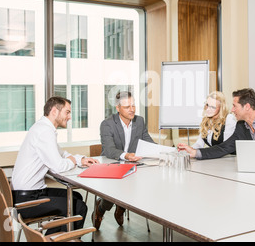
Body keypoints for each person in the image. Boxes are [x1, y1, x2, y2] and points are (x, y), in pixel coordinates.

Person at [11, 96, 98, 235]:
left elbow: (61, 153)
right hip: (27, 200)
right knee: (79, 207)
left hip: (27, 193)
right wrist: (74, 161)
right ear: (54, 111)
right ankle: (59, 239)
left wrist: (80, 159)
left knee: (75, 197)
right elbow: (58, 166)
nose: (69, 117)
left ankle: (51, 238)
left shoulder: (42, 127)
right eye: (67, 112)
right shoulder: (45, 131)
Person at [178, 88, 255, 163]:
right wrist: (195, 153)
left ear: (247, 107)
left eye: (235, 106)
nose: (232, 110)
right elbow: (224, 148)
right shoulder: (241, 126)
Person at [93, 91, 154, 230]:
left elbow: (148, 142)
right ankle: (101, 208)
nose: (132, 109)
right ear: (118, 108)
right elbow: (109, 150)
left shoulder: (139, 121)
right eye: (127, 107)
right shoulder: (107, 124)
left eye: (133, 105)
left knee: (140, 183)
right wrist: (126, 156)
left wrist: (164, 151)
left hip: (132, 165)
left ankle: (121, 207)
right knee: (116, 189)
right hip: (112, 164)